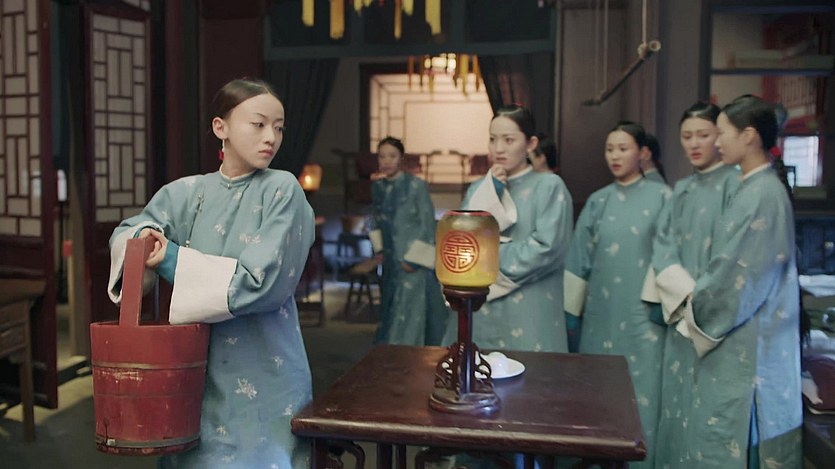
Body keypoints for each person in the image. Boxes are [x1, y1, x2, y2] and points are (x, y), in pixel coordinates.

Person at [106, 78, 314, 468]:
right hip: (192, 366)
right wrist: (144, 240)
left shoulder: (282, 190)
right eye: (258, 124)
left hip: (265, 363)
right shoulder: (185, 193)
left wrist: (170, 259)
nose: (271, 137)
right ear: (221, 127)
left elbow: (260, 283)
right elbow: (128, 232)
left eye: (279, 127)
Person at [667, 95, 802, 468]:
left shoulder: (761, 193)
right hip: (743, 333)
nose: (716, 141)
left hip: (747, 340)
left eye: (721, 133)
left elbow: (735, 277)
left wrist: (694, 307)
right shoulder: (755, 187)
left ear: (749, 136)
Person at [563, 121, 670, 469]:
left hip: (644, 316)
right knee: (598, 390)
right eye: (610, 149)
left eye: (623, 148)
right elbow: (578, 259)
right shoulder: (598, 201)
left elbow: (669, 256)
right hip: (600, 314)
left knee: (643, 391)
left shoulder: (663, 197)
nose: (615, 156)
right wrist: (571, 315)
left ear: (643, 153)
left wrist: (662, 308)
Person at [646, 101, 741, 466]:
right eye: (687, 136)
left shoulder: (737, 184)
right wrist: (687, 297)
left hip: (718, 318)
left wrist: (703, 299)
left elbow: (734, 255)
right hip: (682, 314)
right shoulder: (682, 189)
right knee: (677, 403)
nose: (694, 143)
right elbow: (663, 247)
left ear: (720, 136)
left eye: (703, 134)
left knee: (711, 410)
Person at [442, 105, 573, 353]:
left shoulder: (549, 186)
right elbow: (462, 241)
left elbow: (547, 248)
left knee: (530, 372)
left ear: (530, 144)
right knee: (477, 369)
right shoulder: (479, 187)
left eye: (509, 140)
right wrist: (489, 193)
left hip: (529, 308)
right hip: (480, 308)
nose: (498, 148)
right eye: (493, 139)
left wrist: (485, 260)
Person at [369, 136, 448, 345]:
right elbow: (374, 220)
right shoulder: (378, 187)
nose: (387, 161)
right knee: (391, 310)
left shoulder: (416, 186)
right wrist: (379, 249)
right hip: (390, 261)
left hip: (412, 261)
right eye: (382, 156)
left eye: (392, 156)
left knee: (412, 315)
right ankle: (392, 355)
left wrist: (414, 259)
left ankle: (408, 356)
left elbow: (427, 224)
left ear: (401, 159)